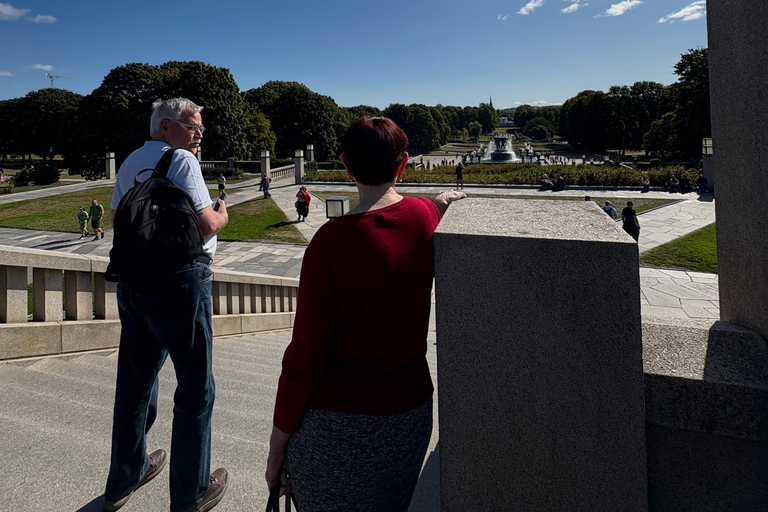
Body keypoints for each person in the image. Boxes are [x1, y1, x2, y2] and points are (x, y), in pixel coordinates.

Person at [266, 117, 465, 511]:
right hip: (409, 418)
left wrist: (277, 446)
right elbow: (424, 210)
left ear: (346, 164)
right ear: (403, 163)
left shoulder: (330, 243)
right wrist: (443, 201)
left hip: (338, 428)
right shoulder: (424, 217)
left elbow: (305, 358)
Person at [104, 98, 230, 512]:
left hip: (135, 284)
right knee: (196, 391)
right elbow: (205, 223)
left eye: (199, 129)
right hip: (180, 283)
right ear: (165, 127)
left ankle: (125, 475)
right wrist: (223, 214)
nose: (198, 136)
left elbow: (118, 217)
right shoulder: (182, 160)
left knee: (135, 384)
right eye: (192, 127)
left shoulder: (129, 162)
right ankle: (191, 492)